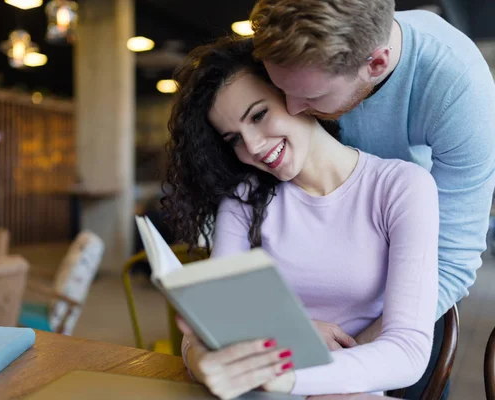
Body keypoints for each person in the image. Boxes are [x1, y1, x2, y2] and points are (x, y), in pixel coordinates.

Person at [162, 36, 439, 399]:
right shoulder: (245, 197)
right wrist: (204, 365)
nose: (254, 147)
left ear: (296, 95)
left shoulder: (401, 187)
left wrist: (288, 370)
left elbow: (407, 351)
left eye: (259, 115)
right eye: (234, 139)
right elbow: (203, 334)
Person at [249, 1, 495, 397]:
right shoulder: (300, 66)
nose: (292, 109)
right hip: (306, 292)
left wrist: (349, 359)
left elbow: (452, 257)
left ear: (376, 64)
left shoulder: (457, 86)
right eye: (281, 91)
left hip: (406, 291)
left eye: (311, 96)